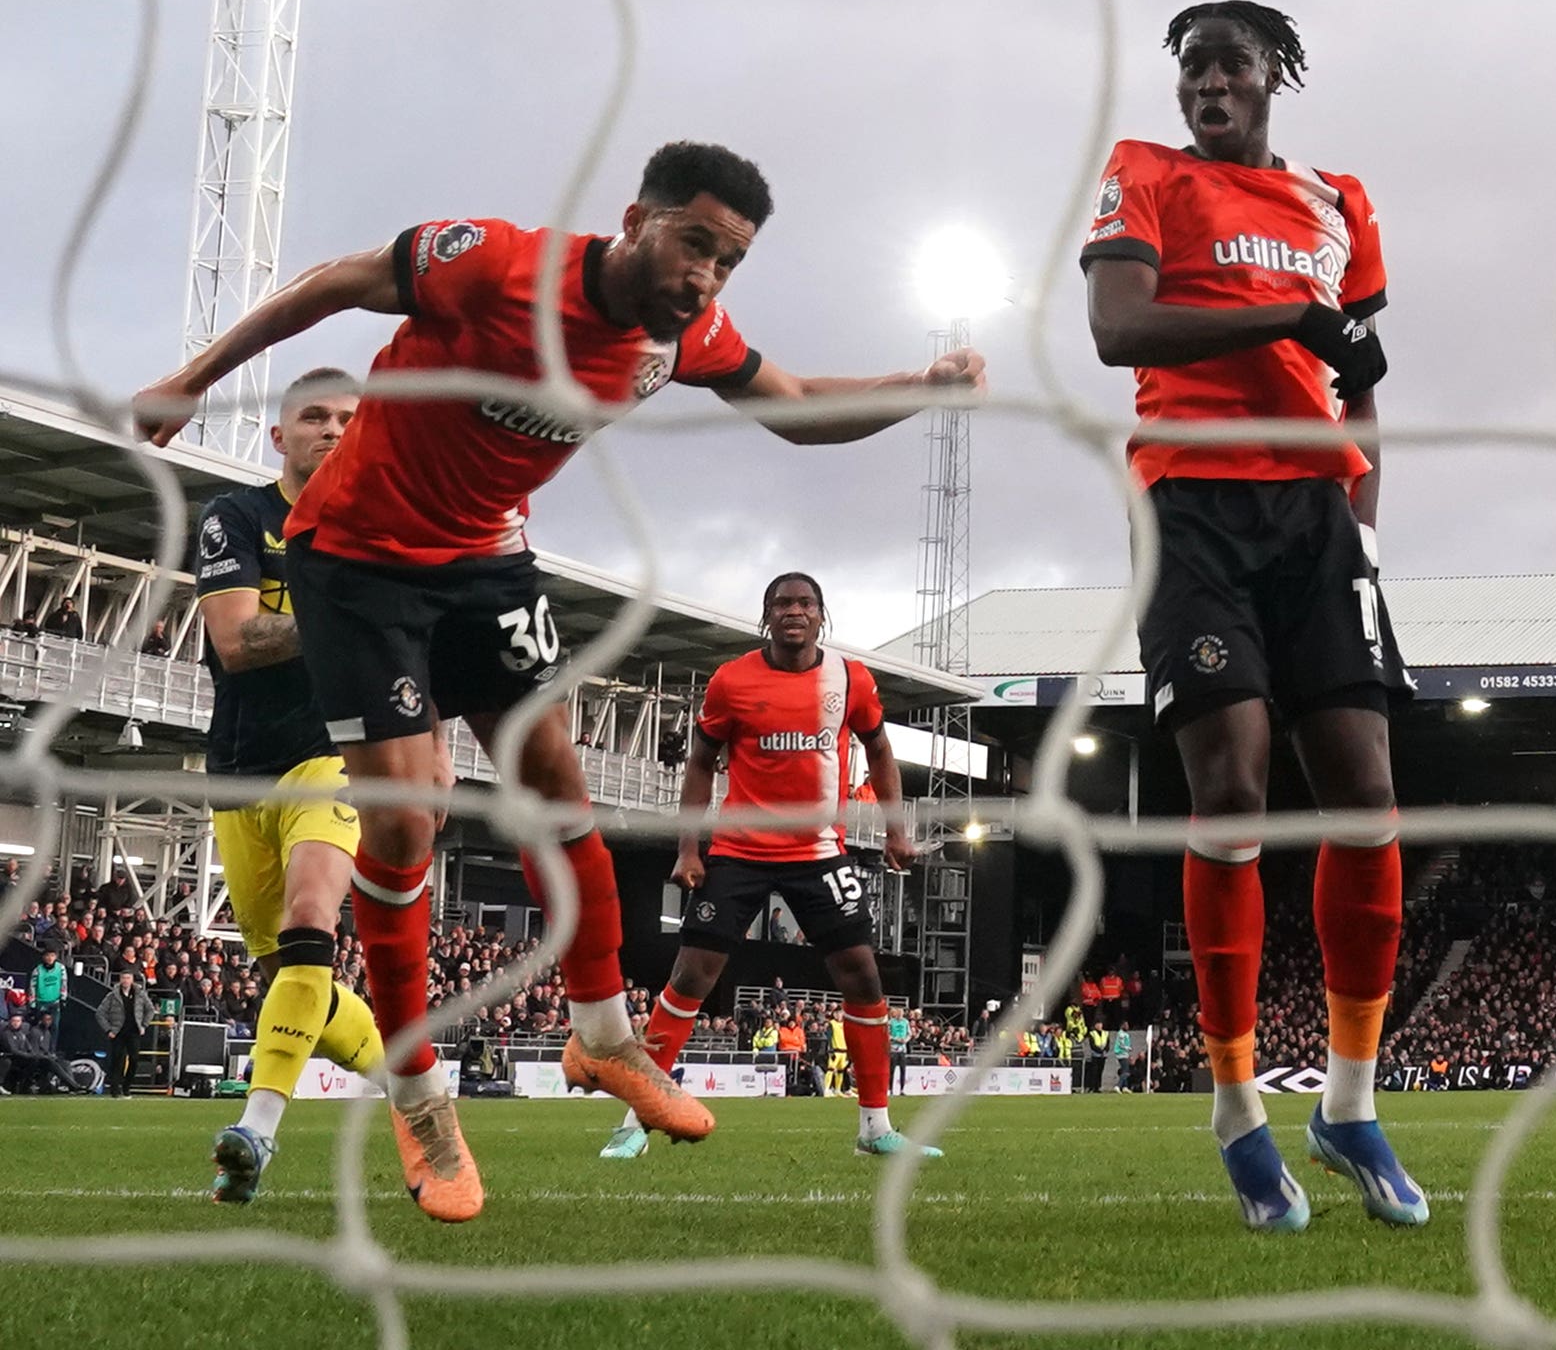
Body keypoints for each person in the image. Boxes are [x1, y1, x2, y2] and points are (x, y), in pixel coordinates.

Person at [134, 140, 982, 1222]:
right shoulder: (494, 265)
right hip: (355, 561)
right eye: (694, 247)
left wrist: (923, 387)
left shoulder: (684, 338)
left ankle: (605, 1040)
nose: (705, 280)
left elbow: (797, 401)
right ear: (637, 220)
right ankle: (421, 1097)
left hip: (485, 560)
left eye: (728, 263)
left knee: (558, 790)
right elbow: (338, 282)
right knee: (405, 828)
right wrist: (189, 380)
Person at [1081, 0, 1419, 1233]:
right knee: (1231, 787)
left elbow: (1365, 387)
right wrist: (1283, 317)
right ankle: (1236, 1109)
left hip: (1317, 518)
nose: (1208, 83)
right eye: (1192, 68)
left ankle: (1349, 1101)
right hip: (1192, 504)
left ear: (1276, 76)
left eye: (1230, 64)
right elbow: (1119, 330)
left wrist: (1367, 532)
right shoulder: (1145, 177)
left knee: (1369, 795)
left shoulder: (1340, 203)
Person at [602, 572, 936, 1162]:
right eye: (783, 603)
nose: (794, 612)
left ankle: (874, 1128)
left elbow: (880, 751)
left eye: (805, 603)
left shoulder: (850, 678)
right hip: (740, 850)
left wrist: (895, 831)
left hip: (818, 851)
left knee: (863, 977)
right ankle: (637, 1116)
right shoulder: (731, 681)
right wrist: (687, 848)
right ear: (767, 615)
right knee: (690, 977)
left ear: (821, 615)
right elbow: (701, 763)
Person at [195, 368, 395, 1203]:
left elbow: (413, 655)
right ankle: (417, 1085)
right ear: (280, 436)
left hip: (333, 752)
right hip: (241, 766)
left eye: (352, 419)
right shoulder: (237, 518)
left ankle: (257, 1131)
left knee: (314, 921)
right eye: (315, 417)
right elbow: (237, 641)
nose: (334, 430)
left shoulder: (391, 536)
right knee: (288, 973)